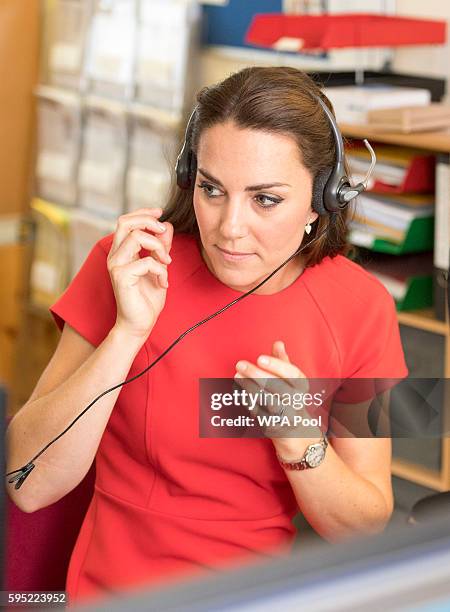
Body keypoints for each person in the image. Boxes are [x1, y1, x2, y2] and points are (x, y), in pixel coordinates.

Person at [6, 66, 408, 605]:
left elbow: (366, 524)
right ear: (188, 176)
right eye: (212, 189)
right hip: (113, 593)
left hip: (253, 597)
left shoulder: (366, 307)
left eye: (265, 199)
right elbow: (26, 485)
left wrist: (301, 441)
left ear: (323, 199)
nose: (229, 227)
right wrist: (127, 333)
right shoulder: (127, 266)